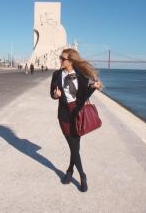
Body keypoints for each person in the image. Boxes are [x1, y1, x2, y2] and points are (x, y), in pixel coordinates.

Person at [50, 48, 103, 192]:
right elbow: (52, 94)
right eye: (60, 57)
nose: (60, 60)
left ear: (71, 61)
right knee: (73, 147)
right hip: (64, 115)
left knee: (75, 148)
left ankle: (69, 171)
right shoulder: (56, 75)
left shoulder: (82, 76)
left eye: (63, 58)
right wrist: (56, 95)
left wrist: (93, 87)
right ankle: (82, 175)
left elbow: (83, 96)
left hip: (78, 114)